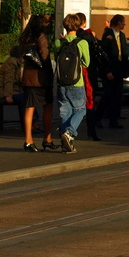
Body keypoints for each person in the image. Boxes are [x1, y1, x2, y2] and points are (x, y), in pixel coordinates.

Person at [54, 13, 90, 153]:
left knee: (65, 113)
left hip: (61, 83)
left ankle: (66, 146)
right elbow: (86, 63)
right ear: (77, 25)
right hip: (76, 82)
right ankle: (69, 133)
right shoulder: (82, 43)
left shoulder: (58, 42)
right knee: (80, 110)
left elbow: (57, 58)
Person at [19, 14, 55, 152]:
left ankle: (28, 140)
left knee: (29, 108)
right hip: (41, 78)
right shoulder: (42, 37)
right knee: (48, 107)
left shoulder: (25, 38)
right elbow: (45, 57)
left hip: (28, 77)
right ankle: (47, 138)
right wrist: (50, 76)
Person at [97, 14, 129, 129]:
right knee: (107, 96)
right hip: (110, 71)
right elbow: (104, 55)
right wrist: (107, 71)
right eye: (123, 22)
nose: (124, 24)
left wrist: (126, 70)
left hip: (119, 70)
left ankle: (114, 120)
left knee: (117, 96)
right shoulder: (108, 34)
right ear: (118, 22)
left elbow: (124, 54)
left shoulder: (122, 35)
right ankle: (97, 118)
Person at [0, 46, 25, 134]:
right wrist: (8, 95)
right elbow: (8, 80)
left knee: (28, 98)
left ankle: (31, 123)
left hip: (5, 90)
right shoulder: (12, 63)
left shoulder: (13, 62)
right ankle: (27, 124)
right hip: (1, 92)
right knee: (25, 99)